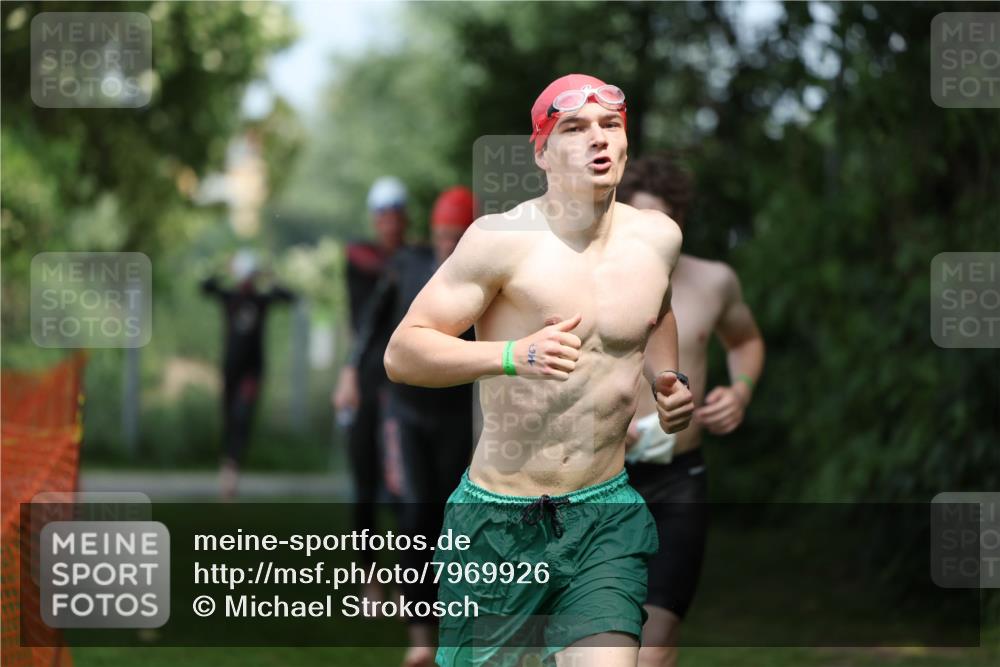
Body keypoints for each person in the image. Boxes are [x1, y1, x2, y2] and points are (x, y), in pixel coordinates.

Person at [384, 74, 695, 667]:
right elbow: (403, 353)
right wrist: (511, 355)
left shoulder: (657, 239)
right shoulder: (500, 241)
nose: (597, 140)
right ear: (543, 153)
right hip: (499, 524)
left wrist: (671, 382)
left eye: (610, 126)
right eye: (575, 129)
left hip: (603, 515)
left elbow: (658, 311)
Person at [617, 154, 765, 667]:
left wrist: (740, 390)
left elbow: (745, 341)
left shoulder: (714, 281)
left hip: (681, 479)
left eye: (660, 220)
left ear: (679, 220)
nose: (647, 232)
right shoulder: (591, 286)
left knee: (654, 647)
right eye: (634, 219)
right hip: (603, 478)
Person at [350, 186, 478, 667]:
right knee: (412, 514)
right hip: (404, 412)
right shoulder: (407, 265)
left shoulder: (485, 277)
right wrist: (349, 374)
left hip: (456, 416)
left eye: (456, 235)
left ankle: (449, 619)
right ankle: (420, 636)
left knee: (452, 518)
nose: (446, 244)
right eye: (441, 234)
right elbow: (371, 322)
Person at [332, 176, 409, 582]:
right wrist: (347, 373)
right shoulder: (362, 259)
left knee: (403, 484)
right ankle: (369, 579)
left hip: (404, 385)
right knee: (363, 479)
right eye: (382, 213)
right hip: (365, 378)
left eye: (396, 213)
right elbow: (363, 323)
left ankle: (407, 577)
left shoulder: (416, 264)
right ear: (373, 217)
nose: (389, 222)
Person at [201, 249, 295, 500]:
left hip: (252, 371)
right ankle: (227, 465)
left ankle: (232, 468)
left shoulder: (261, 300)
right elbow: (204, 287)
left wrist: (270, 276)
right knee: (230, 418)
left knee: (243, 417)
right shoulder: (229, 297)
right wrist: (224, 269)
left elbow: (290, 297)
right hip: (230, 368)